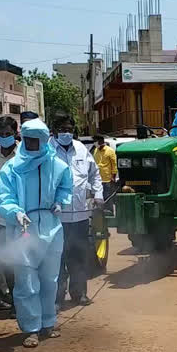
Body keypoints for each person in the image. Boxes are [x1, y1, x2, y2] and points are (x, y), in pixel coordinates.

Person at [0, 119, 73, 348]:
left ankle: (48, 323)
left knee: (50, 280)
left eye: (36, 140)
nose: (31, 145)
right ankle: (31, 328)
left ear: (43, 140)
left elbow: (66, 187)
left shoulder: (58, 166)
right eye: (28, 140)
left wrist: (61, 202)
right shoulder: (11, 168)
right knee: (27, 282)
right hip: (24, 230)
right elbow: (5, 197)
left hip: (51, 227)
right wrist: (15, 212)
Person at [51, 113, 103, 306]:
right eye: (62, 129)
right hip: (57, 217)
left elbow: (95, 174)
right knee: (58, 257)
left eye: (70, 129)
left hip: (81, 214)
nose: (66, 133)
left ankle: (79, 293)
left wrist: (98, 195)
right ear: (54, 131)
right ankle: (57, 296)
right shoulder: (47, 151)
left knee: (79, 255)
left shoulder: (81, 149)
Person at [0, 116, 20, 305]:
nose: (4, 137)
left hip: (23, 217)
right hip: (1, 218)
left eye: (8, 134)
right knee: (7, 260)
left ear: (15, 133)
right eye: (0, 134)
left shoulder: (24, 154)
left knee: (24, 259)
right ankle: (14, 299)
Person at [92, 134, 118, 203]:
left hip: (107, 179)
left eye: (95, 141)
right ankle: (101, 212)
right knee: (99, 198)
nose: (94, 143)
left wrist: (113, 177)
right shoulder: (95, 150)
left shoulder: (110, 151)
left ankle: (109, 212)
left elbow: (114, 165)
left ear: (101, 141)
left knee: (107, 197)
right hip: (98, 179)